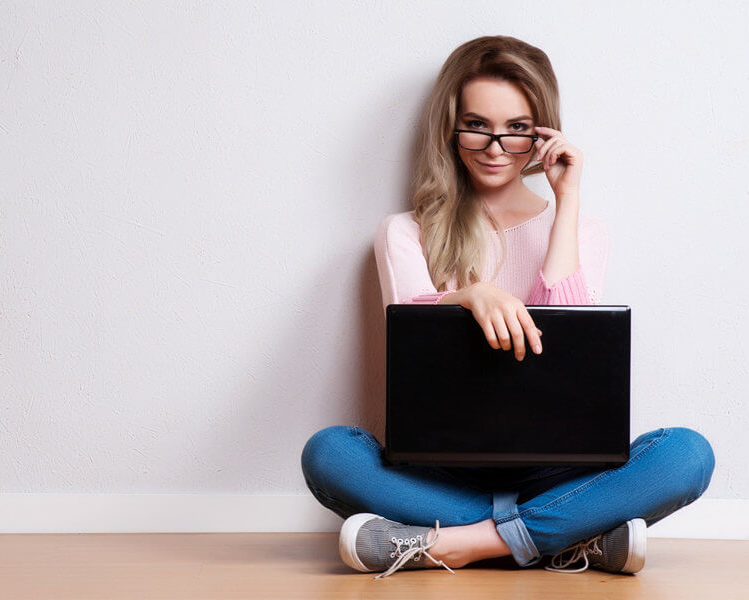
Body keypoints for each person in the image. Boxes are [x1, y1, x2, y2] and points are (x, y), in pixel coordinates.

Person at [300, 35, 715, 579]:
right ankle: (571, 539)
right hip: (443, 473)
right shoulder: (405, 231)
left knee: (687, 454)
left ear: (542, 134)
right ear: (449, 130)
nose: (496, 147)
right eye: (477, 125)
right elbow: (414, 354)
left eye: (517, 130)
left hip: (559, 472)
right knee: (330, 453)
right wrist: (464, 295)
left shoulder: (585, 231)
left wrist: (567, 204)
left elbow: (570, 355)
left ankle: (456, 544)